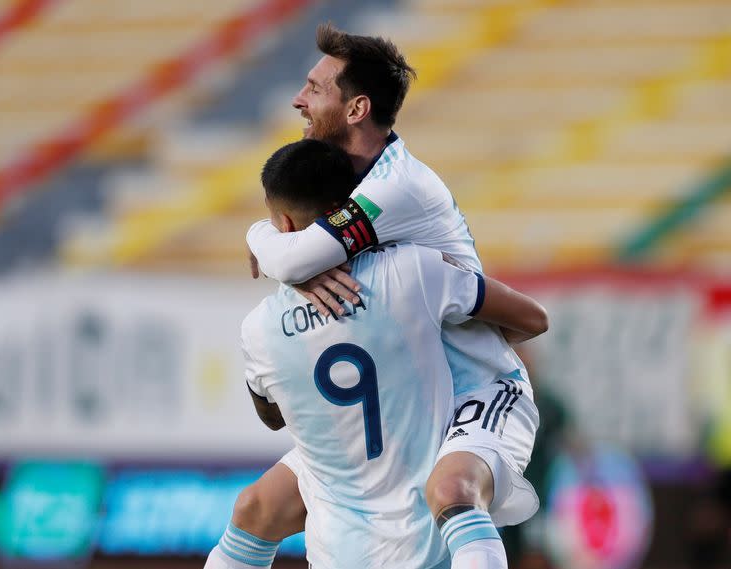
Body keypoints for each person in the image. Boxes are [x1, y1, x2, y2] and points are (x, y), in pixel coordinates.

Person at [212, 24, 544, 569]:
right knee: (255, 507)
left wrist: (263, 238)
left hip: (472, 394)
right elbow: (302, 248)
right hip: (403, 400)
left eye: (315, 90)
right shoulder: (343, 185)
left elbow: (293, 255)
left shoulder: (397, 187)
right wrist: (293, 252)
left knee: (452, 491)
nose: (298, 100)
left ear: (357, 108)